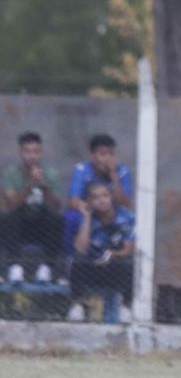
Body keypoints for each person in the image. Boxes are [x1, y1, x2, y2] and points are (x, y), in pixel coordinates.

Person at [67, 181, 134, 324]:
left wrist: (112, 255)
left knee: (130, 264)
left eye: (105, 195)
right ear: (89, 202)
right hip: (93, 267)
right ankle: (77, 305)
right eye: (96, 197)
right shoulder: (87, 218)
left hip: (115, 267)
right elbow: (80, 248)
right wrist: (86, 218)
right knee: (77, 261)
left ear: (111, 197)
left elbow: (128, 248)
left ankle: (126, 307)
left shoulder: (126, 216)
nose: (102, 200)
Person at [2, 131, 64, 282]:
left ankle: (47, 268)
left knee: (56, 220)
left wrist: (45, 187)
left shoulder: (51, 173)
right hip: (20, 224)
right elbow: (11, 206)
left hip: (41, 225)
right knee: (8, 218)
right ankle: (15, 267)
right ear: (20, 152)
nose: (32, 156)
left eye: (36, 152)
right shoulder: (11, 173)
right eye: (27, 152)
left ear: (41, 153)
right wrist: (29, 184)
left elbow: (56, 207)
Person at [68, 134, 133, 211]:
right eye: (103, 154)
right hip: (89, 213)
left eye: (111, 154)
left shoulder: (122, 171)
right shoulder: (82, 170)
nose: (108, 158)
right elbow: (73, 201)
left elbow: (125, 205)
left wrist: (114, 175)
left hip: (114, 214)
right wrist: (98, 207)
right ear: (92, 156)